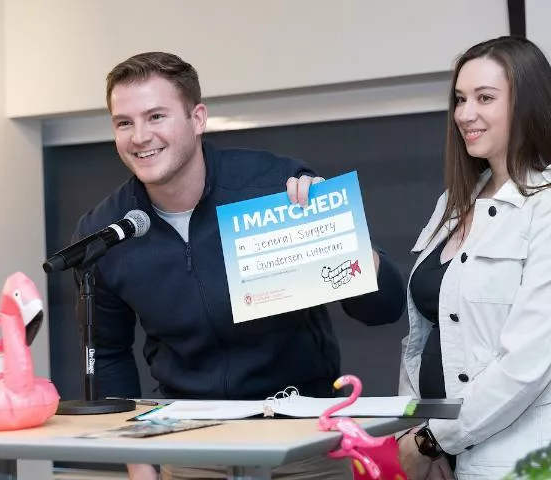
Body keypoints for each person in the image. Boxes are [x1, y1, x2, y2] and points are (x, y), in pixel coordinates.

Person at [73, 51, 406, 480]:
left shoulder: (272, 187)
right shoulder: (106, 231)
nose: (140, 136)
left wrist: (341, 233)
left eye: (156, 116)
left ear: (197, 118)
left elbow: (383, 310)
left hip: (303, 441)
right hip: (189, 444)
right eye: (124, 122)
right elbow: (109, 353)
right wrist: (140, 465)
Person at [397, 36, 551, 479]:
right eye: (460, 99)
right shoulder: (451, 205)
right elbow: (424, 341)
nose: (465, 114)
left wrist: (431, 441)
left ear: (527, 106)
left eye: (484, 98)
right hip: (442, 455)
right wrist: (418, 435)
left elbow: (527, 363)